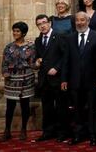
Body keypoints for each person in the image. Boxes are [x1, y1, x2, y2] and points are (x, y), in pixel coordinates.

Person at [61, 12, 96, 146]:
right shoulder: (70, 38)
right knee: (77, 110)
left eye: (82, 20)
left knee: (92, 110)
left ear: (88, 21)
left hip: (92, 81)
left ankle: (93, 135)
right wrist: (64, 79)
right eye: (77, 20)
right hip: (74, 81)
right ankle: (78, 135)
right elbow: (66, 60)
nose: (79, 22)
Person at [34, 14, 69, 142]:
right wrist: (37, 62)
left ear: (49, 23)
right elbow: (37, 58)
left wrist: (57, 68)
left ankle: (62, 132)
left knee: (61, 107)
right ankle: (48, 132)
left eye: (44, 22)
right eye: (39, 24)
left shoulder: (60, 36)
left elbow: (66, 56)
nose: (42, 26)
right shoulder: (38, 41)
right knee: (46, 108)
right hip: (44, 80)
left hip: (58, 79)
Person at [0, 22, 36, 141]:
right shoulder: (8, 47)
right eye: (14, 31)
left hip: (26, 78)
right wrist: (5, 72)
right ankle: (7, 131)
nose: (15, 33)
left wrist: (37, 64)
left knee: (25, 106)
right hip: (12, 79)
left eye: (18, 31)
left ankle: (23, 130)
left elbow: (33, 63)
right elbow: (4, 63)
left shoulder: (31, 47)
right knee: (10, 106)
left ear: (24, 33)